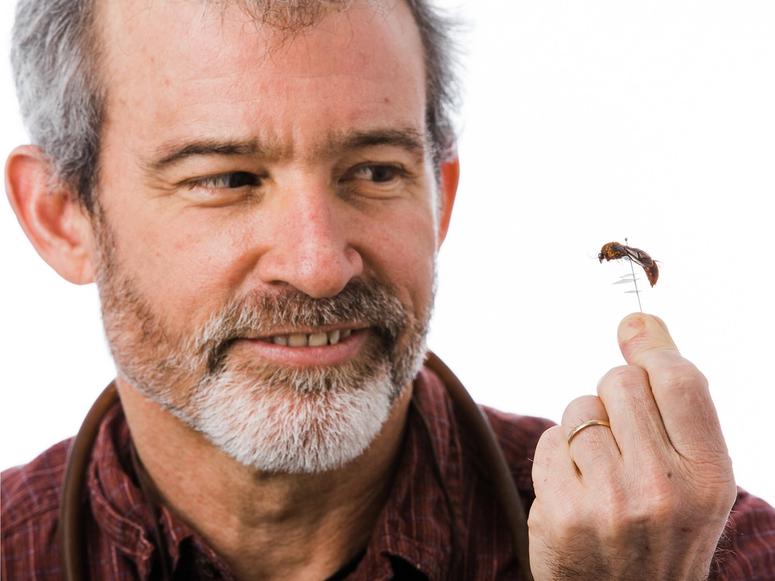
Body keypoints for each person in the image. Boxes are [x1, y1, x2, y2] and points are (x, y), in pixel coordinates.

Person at [1, 0, 773, 579]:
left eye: (374, 171)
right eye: (227, 179)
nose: (318, 265)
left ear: (439, 195)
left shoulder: (700, 554)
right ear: (64, 218)